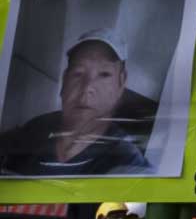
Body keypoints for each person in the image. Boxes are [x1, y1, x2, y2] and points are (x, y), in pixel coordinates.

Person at [0, 29, 150, 176]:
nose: (87, 87)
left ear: (121, 83)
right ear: (64, 81)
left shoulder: (126, 161)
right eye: (78, 73)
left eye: (104, 74)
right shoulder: (38, 127)